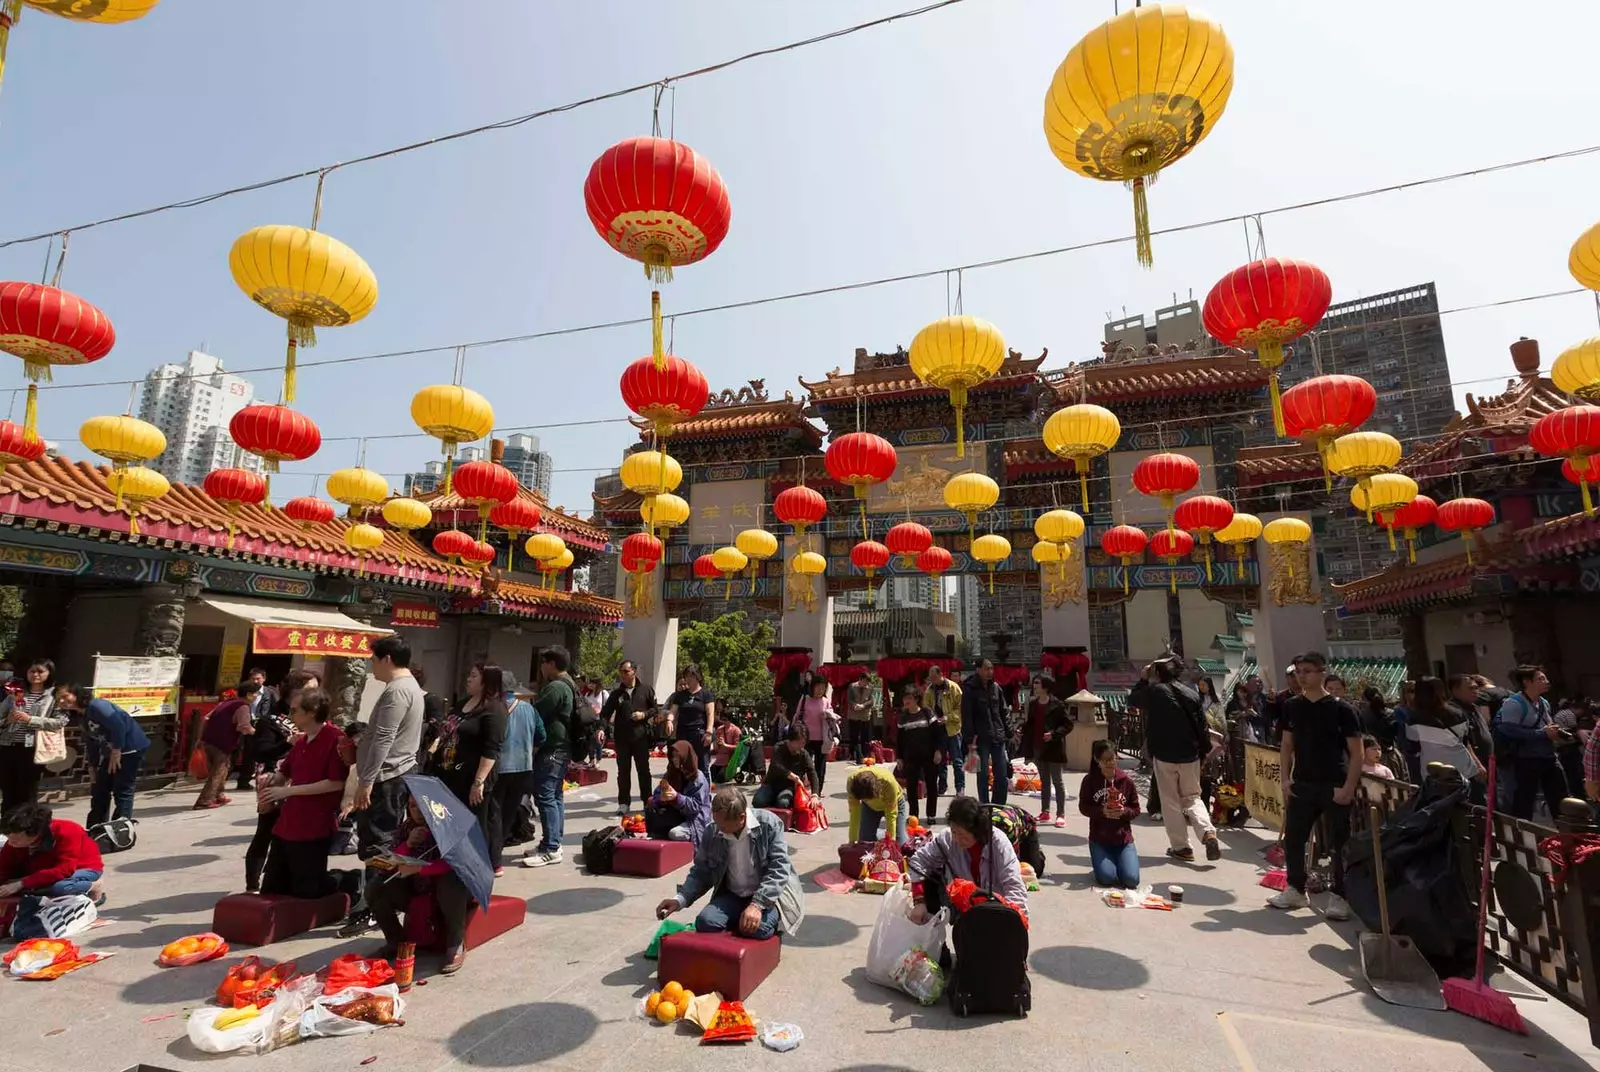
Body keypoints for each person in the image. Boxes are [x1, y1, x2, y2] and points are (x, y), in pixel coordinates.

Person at [1267, 652, 1361, 919]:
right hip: (1303, 783)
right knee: (1295, 839)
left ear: (1322, 673)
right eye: (1298, 671)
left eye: (1308, 670)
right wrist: (1285, 779)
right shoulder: (1292, 706)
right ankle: (1296, 889)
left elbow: (1357, 752)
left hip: (1335, 784)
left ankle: (1340, 896)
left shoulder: (1343, 709)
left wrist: (1348, 788)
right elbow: (1286, 745)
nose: (1302, 676)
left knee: (1338, 843)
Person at [342, 636, 425, 937]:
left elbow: (383, 738)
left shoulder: (397, 691)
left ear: (387, 658)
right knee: (381, 842)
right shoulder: (409, 686)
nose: (371, 666)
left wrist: (366, 780)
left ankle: (372, 908)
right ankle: (377, 903)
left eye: (373, 659)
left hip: (386, 777)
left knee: (378, 843)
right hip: (392, 774)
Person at [654, 787, 804, 939]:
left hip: (768, 898)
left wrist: (757, 905)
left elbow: (779, 869)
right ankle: (740, 919)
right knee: (705, 922)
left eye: (723, 826)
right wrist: (679, 899)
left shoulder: (769, 825)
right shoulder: (712, 831)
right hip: (734, 895)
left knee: (757, 929)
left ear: (741, 817)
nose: (718, 829)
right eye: (716, 823)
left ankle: (765, 924)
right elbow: (701, 872)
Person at [366, 795, 477, 975]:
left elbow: (458, 864)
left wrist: (421, 870)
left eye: (421, 807)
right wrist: (408, 844)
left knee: (451, 880)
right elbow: (391, 862)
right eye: (412, 806)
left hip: (450, 891)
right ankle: (396, 941)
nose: (416, 811)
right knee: (376, 886)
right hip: (418, 889)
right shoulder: (407, 828)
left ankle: (456, 944)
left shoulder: (448, 827)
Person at [257, 688, 349, 899]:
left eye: (295, 710)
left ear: (312, 711)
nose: (291, 715)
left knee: (308, 889)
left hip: (314, 825)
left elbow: (336, 782)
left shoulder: (335, 738)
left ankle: (345, 880)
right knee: (273, 886)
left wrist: (288, 791)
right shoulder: (302, 741)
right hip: (288, 823)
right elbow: (285, 772)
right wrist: (271, 779)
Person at [1130, 655, 1220, 862]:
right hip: (1190, 754)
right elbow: (1202, 727)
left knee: (1170, 801)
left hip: (1164, 754)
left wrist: (1143, 678)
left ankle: (1182, 847)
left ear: (1157, 672)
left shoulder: (1154, 691)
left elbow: (1133, 699)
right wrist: (1204, 752)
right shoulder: (1192, 693)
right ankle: (1207, 832)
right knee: (1192, 796)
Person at [245, 669, 318, 893]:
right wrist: (288, 743)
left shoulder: (313, 718)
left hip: (304, 781)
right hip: (275, 780)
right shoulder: (271, 721)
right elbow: (260, 752)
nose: (315, 694)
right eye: (310, 690)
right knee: (266, 831)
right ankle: (253, 885)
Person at [906, 795, 1028, 923]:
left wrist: (1015, 924)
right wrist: (919, 900)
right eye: (954, 832)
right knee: (932, 878)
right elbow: (918, 861)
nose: (956, 839)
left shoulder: (998, 844)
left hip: (996, 909)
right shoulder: (947, 839)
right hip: (963, 906)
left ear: (977, 831)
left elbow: (1014, 887)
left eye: (962, 835)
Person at [437, 663, 507, 870]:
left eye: (474, 676)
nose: (468, 679)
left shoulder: (495, 709)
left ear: (486, 681)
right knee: (452, 823)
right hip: (450, 775)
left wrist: (479, 782)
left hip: (472, 780)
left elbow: (491, 748)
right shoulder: (464, 703)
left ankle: (476, 869)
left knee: (474, 826)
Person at [54, 684, 150, 830]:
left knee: (122, 789)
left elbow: (118, 726)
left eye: (65, 696)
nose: (62, 701)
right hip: (110, 752)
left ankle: (120, 828)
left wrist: (117, 750)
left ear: (76, 694)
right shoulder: (80, 715)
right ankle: (96, 828)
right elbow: (91, 740)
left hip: (130, 748)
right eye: (58, 699)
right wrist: (92, 766)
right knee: (100, 788)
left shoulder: (97, 705)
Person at [523, 646, 580, 868]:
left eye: (543, 663)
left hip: (553, 749)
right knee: (555, 796)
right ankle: (553, 841)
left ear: (552, 664)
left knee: (545, 796)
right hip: (563, 749)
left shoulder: (556, 687)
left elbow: (535, 714)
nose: (541, 668)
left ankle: (551, 848)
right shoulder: (570, 684)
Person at [1496, 665, 1572, 820]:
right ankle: (1523, 838)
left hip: (1549, 757)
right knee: (1524, 801)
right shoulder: (1514, 703)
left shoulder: (1543, 702)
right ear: (1527, 682)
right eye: (1540, 679)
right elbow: (1507, 730)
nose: (1546, 682)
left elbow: (1546, 726)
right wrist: (1541, 733)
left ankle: (1566, 835)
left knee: (1561, 798)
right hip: (1526, 760)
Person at [0, 803, 104, 904]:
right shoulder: (15, 841)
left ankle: (93, 886)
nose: (10, 843)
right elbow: (3, 865)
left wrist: (22, 883)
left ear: (35, 833)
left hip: (81, 868)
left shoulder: (68, 830)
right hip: (43, 870)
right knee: (19, 887)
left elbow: (65, 869)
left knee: (59, 887)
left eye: (15, 839)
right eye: (8, 838)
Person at [0, 660, 65, 815]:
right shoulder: (15, 692)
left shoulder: (54, 695)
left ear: (49, 673)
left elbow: (60, 722)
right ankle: (7, 829)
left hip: (32, 749)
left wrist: (31, 720)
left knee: (27, 792)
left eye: (40, 671)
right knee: (7, 791)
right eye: (32, 671)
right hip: (7, 745)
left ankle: (27, 829)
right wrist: (7, 721)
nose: (35, 675)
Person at [489, 676, 540, 872]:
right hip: (524, 768)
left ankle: (492, 858)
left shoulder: (495, 708)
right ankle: (497, 853)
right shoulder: (529, 709)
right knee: (508, 813)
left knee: (494, 814)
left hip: (499, 768)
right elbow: (541, 735)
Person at [1078, 740, 1141, 889]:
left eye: (1113, 758)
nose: (1110, 763)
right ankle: (1103, 864)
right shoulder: (1090, 781)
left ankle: (1121, 862)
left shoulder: (1126, 782)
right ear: (1097, 760)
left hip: (1123, 839)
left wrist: (1124, 811)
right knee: (1107, 878)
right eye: (1105, 760)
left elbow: (1136, 809)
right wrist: (1101, 811)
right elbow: (1083, 807)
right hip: (1100, 839)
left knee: (1131, 880)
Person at [601, 660, 657, 816]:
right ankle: (624, 803)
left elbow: (654, 709)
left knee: (643, 771)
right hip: (622, 739)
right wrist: (601, 729)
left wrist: (643, 715)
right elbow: (605, 713)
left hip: (640, 738)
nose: (623, 675)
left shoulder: (646, 690)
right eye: (621, 672)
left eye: (626, 671)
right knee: (623, 772)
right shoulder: (616, 693)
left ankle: (648, 802)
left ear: (634, 672)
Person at [194, 681, 259, 809]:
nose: (257, 696)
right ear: (249, 695)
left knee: (224, 769)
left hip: (209, 741)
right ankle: (204, 801)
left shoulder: (226, 702)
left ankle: (219, 795)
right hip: (222, 743)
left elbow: (206, 718)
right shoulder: (243, 707)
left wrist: (200, 738)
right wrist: (258, 733)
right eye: (256, 693)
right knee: (218, 772)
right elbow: (244, 726)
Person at [1407, 676, 1484, 783]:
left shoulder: (1413, 719)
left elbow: (1413, 747)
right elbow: (1466, 742)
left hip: (1433, 772)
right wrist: (1478, 765)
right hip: (1463, 769)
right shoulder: (1458, 714)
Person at [1022, 676, 1070, 826]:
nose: (1034, 686)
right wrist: (1021, 730)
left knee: (1057, 781)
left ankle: (1061, 814)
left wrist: (1054, 735)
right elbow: (1030, 724)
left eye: (1037, 683)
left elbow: (1068, 725)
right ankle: (1045, 811)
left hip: (1053, 748)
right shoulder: (1033, 704)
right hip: (1038, 747)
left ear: (1046, 686)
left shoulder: (1057, 704)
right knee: (1044, 782)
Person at [894, 687, 947, 823]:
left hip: (929, 756)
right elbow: (899, 739)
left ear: (917, 699)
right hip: (910, 757)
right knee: (911, 788)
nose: (906, 701)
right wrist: (899, 757)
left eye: (909, 698)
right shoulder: (903, 717)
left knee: (931, 785)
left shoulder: (927, 712)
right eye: (905, 698)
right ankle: (913, 816)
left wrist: (938, 751)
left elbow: (937, 734)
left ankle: (931, 815)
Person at [962, 659, 1010, 806]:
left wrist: (1009, 731)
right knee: (982, 775)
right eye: (986, 669)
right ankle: (984, 805)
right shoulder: (970, 689)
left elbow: (1003, 711)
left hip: (998, 736)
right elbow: (967, 715)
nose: (990, 672)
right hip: (980, 738)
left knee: (1002, 774)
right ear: (978, 670)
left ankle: (998, 805)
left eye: (991, 669)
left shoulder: (996, 687)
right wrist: (970, 739)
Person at [647, 740, 711, 843]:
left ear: (686, 756)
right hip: (677, 814)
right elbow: (656, 794)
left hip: (694, 817)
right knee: (650, 804)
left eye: (678, 756)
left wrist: (677, 798)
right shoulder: (671, 773)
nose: (675, 760)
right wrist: (661, 799)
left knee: (675, 833)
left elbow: (696, 806)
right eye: (673, 756)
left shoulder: (697, 777)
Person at [665, 664, 718, 783]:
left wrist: (709, 732)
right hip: (683, 734)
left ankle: (704, 796)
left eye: (690, 676)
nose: (687, 679)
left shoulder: (706, 695)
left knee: (702, 766)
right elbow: (673, 711)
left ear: (698, 677)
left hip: (699, 734)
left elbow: (710, 714)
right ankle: (684, 793)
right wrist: (669, 720)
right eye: (686, 676)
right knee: (682, 764)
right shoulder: (680, 695)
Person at [233, 668, 279, 791]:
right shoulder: (245, 693)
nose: (255, 681)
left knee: (257, 753)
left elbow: (275, 708)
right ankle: (242, 779)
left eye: (258, 678)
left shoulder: (270, 693)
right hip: (246, 725)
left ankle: (255, 779)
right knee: (243, 753)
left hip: (262, 726)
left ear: (264, 679)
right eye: (253, 679)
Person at [752, 725, 816, 810]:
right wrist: (791, 775)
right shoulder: (778, 748)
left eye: (803, 743)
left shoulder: (804, 754)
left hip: (789, 787)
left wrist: (815, 795)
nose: (802, 746)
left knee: (783, 802)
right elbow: (776, 765)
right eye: (799, 742)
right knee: (758, 801)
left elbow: (812, 772)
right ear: (791, 740)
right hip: (771, 784)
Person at [924, 665, 963, 796]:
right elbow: (927, 709)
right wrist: (934, 719)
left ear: (941, 674)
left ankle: (960, 787)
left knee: (957, 760)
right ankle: (942, 786)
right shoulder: (929, 690)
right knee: (940, 761)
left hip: (953, 729)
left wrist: (949, 717)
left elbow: (960, 709)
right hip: (938, 729)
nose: (932, 680)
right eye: (931, 678)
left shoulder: (953, 688)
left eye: (934, 677)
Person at [796, 675, 837, 794]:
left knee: (820, 766)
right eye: (818, 687)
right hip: (806, 738)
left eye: (823, 688)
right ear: (812, 687)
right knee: (803, 765)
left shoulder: (826, 702)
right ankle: (800, 789)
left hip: (822, 738)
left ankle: (817, 791)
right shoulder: (804, 699)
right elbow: (797, 715)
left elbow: (833, 718)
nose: (820, 690)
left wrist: (828, 715)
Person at [847, 765, 905, 845]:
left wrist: (891, 842)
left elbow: (891, 815)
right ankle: (880, 834)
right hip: (869, 808)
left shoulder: (888, 782)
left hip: (894, 803)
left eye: (868, 798)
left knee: (900, 843)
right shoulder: (851, 782)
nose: (866, 800)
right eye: (863, 799)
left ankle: (895, 834)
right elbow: (854, 812)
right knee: (865, 842)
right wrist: (852, 840)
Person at [1553, 697, 1588, 805]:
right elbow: (1573, 731)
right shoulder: (1569, 715)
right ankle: (1580, 796)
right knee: (1576, 773)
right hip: (1568, 748)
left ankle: (1578, 795)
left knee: (1571, 774)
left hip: (1562, 748)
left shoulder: (1560, 713)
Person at [846, 676, 875, 763]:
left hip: (864, 715)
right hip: (853, 714)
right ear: (861, 680)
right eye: (864, 681)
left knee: (864, 736)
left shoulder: (870, 688)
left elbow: (872, 701)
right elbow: (849, 699)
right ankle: (854, 754)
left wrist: (864, 705)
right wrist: (854, 705)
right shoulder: (852, 686)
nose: (866, 684)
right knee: (854, 735)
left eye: (867, 682)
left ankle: (863, 755)